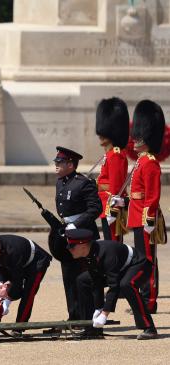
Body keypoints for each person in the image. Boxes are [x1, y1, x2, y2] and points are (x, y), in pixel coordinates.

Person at [67, 229, 158, 340]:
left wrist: (105, 314)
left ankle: (149, 328)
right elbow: (96, 282)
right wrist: (98, 308)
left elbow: (114, 285)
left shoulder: (106, 253)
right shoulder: (88, 253)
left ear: (83, 246)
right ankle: (92, 328)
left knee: (126, 284)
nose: (69, 249)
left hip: (139, 264)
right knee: (83, 280)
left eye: (72, 247)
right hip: (120, 268)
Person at [125, 100, 166, 314]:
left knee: (147, 260)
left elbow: (153, 195)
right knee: (141, 259)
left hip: (145, 218)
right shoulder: (141, 161)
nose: (134, 140)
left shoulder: (150, 163)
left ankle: (149, 300)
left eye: (138, 137)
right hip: (136, 215)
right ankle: (142, 297)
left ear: (147, 138)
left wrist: (149, 219)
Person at [53, 146, 101, 322]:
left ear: (71, 164)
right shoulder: (60, 182)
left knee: (84, 278)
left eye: (60, 162)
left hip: (83, 236)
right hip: (67, 235)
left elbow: (95, 209)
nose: (56, 165)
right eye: (56, 161)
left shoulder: (83, 183)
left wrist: (77, 224)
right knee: (69, 278)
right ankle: (73, 315)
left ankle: (87, 316)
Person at [0, 229, 51, 323]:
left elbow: (17, 282)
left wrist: (8, 298)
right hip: (18, 263)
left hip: (36, 262)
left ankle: (20, 327)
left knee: (28, 293)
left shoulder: (13, 251)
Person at [95, 97, 129, 242]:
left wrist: (113, 211)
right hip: (104, 207)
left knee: (114, 247)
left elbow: (117, 188)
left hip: (110, 208)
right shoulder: (110, 154)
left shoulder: (116, 155)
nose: (100, 136)